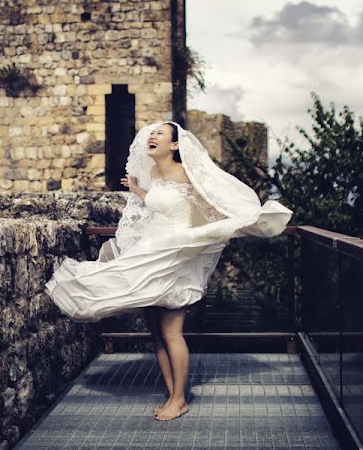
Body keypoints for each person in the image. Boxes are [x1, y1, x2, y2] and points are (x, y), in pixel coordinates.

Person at [45, 121, 292, 421]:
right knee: (156, 333)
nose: (153, 136)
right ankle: (171, 393)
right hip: (151, 253)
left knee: (171, 331)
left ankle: (179, 398)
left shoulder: (187, 174)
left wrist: (212, 233)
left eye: (160, 134)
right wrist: (137, 190)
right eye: (151, 134)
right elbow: (159, 205)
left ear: (174, 145)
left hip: (176, 256)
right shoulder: (153, 174)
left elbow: (209, 210)